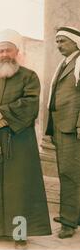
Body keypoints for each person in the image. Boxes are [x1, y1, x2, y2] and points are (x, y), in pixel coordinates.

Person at [0, 29, 51, 250]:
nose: (3, 54)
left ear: (16, 52)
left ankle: (20, 233)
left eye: (8, 50)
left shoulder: (28, 76)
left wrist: (2, 113)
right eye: (0, 50)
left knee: (19, 188)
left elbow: (31, 103)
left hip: (18, 141)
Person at [45, 26, 80, 238]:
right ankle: (73, 213)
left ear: (76, 42)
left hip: (72, 128)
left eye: (63, 41)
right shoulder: (65, 63)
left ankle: (69, 221)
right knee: (68, 172)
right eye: (57, 41)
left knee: (69, 173)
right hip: (61, 127)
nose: (58, 45)